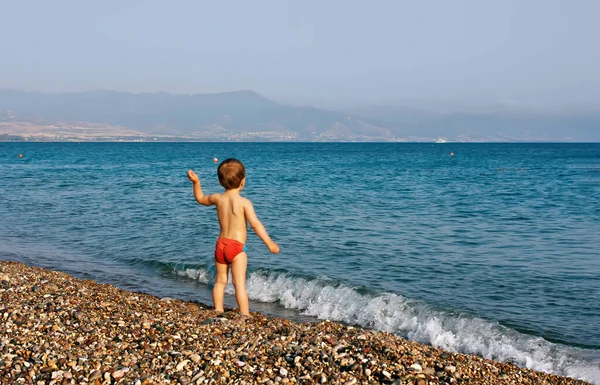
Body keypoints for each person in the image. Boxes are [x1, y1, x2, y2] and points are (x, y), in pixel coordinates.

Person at [187, 158, 280, 317]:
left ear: (220, 181)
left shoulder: (218, 198)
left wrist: (196, 182)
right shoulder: (244, 202)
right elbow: (255, 225)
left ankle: (218, 309)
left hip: (221, 245)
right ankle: (244, 314)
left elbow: (200, 199)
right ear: (242, 181)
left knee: (220, 281)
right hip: (236, 248)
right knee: (239, 285)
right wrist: (269, 243)